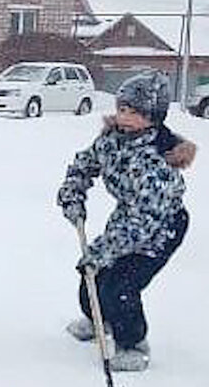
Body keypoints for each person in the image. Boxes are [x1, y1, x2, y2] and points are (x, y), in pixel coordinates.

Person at [56, 70, 191, 371]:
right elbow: (85, 164)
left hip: (162, 227)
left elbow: (142, 224)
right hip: (128, 217)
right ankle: (99, 320)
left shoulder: (156, 163)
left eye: (137, 112)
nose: (126, 117)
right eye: (123, 109)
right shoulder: (111, 140)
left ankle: (133, 344)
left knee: (120, 285)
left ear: (154, 117)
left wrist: (101, 252)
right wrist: (73, 191)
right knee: (92, 275)